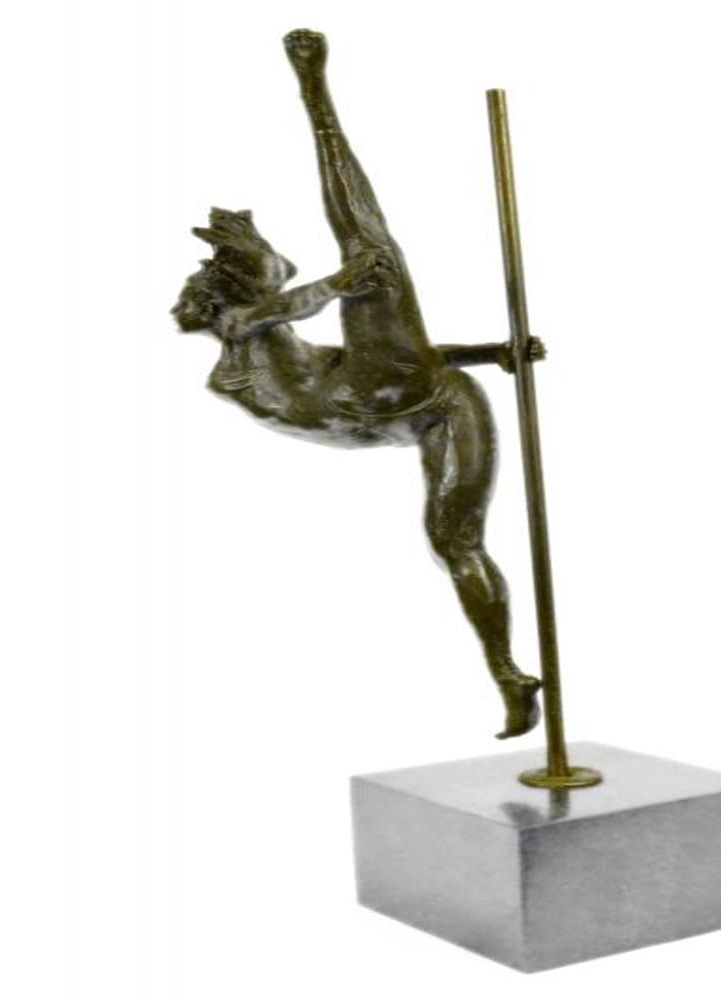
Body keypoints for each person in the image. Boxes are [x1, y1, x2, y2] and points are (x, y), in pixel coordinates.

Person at [172, 29, 542, 738]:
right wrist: (343, 281)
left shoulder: (293, 349)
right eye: (262, 260)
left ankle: (509, 674)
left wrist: (492, 352)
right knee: (369, 248)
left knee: (458, 541)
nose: (276, 263)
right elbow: (297, 312)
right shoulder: (241, 330)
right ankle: (315, 90)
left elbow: (389, 357)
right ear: (234, 282)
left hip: (439, 401)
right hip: (371, 401)